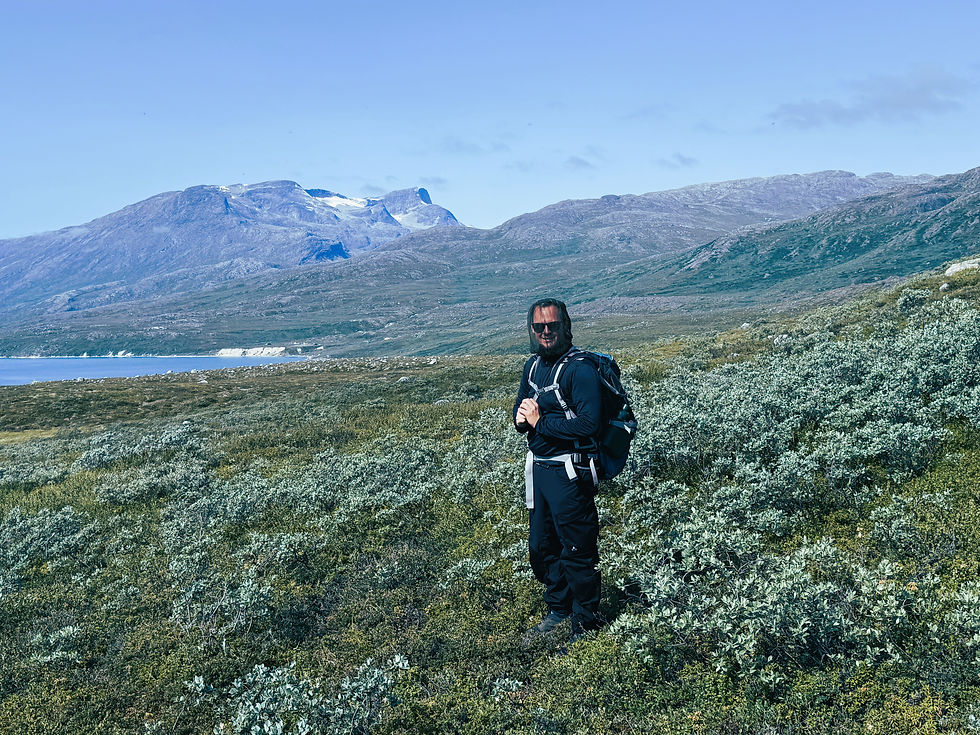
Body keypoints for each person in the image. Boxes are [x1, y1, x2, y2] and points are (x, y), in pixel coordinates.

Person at [513, 298, 603, 643]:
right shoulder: (533, 366)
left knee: (577, 549)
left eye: (552, 325)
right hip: (539, 470)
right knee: (542, 546)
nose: (546, 331)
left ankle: (586, 622)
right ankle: (559, 608)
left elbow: (589, 425)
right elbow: (521, 410)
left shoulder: (580, 370)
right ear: (532, 329)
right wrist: (521, 421)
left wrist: (540, 423)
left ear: (566, 326)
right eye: (539, 326)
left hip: (570, 472)